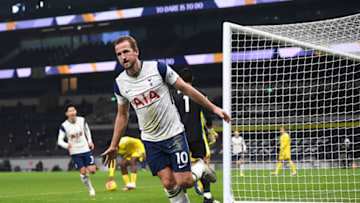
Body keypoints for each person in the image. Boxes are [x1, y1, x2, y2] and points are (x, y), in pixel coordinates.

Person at [101, 36, 231, 203]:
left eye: (126, 52)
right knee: (169, 183)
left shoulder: (157, 68)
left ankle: (200, 167)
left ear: (136, 51)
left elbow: (185, 88)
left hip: (174, 134)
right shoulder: (120, 83)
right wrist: (113, 145)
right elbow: (122, 115)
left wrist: (214, 108)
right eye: (119, 54)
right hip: (151, 140)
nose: (123, 57)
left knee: (185, 181)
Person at [172, 68, 220, 203]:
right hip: (196, 136)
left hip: (179, 138)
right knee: (202, 164)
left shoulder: (173, 97)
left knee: (180, 166)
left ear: (180, 80)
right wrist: (211, 131)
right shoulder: (199, 93)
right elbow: (207, 113)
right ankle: (208, 196)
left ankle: (182, 198)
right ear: (192, 79)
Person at [57, 104, 96, 196]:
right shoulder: (64, 126)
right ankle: (90, 188)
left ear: (76, 112)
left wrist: (90, 141)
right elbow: (59, 141)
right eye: (70, 111)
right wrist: (67, 145)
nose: (72, 112)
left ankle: (85, 173)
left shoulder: (82, 120)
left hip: (85, 149)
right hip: (75, 152)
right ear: (67, 114)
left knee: (92, 170)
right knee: (83, 172)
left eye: (73, 110)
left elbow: (87, 130)